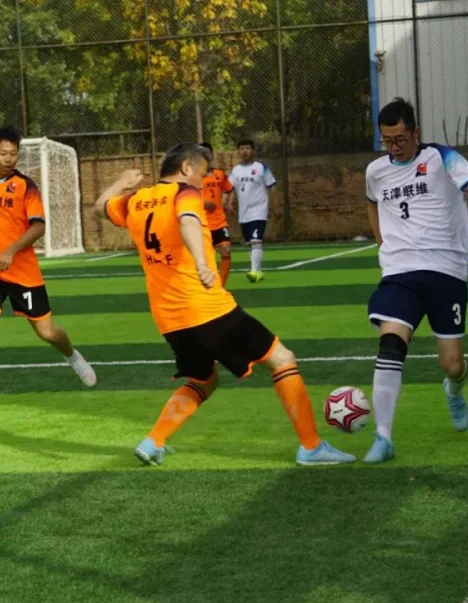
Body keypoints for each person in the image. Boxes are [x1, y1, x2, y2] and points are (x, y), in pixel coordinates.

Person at [95, 142, 354, 466]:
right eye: (202, 174)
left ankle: (152, 442)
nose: (204, 182)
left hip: (169, 319)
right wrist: (203, 263)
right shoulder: (184, 193)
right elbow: (188, 220)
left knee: (203, 380)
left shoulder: (136, 199)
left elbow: (100, 207)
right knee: (282, 359)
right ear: (186, 168)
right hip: (207, 308)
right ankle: (312, 447)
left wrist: (121, 182)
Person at [363, 97, 468, 463]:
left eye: (400, 139)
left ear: (415, 132)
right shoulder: (375, 171)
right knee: (391, 343)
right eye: (387, 140)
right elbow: (371, 201)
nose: (394, 147)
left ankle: (454, 389)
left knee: (452, 363)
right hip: (399, 271)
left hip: (446, 269)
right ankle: (383, 437)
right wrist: (382, 243)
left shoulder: (439, 157)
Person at [0, 127, 96, 422]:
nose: (9, 159)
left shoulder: (25, 186)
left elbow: (39, 226)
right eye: (3, 153)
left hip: (23, 274)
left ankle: (72, 356)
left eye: (13, 153)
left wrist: (11, 250)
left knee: (48, 333)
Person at [227, 139, 276, 283]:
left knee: (256, 240)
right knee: (250, 242)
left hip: (259, 210)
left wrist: (276, 206)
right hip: (244, 213)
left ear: (253, 151)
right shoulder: (236, 170)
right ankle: (258, 271)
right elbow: (230, 188)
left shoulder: (261, 168)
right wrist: (229, 202)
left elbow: (272, 186)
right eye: (242, 149)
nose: (244, 151)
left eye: (247, 148)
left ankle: (254, 271)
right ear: (238, 151)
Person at [199, 142, 234, 286]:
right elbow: (186, 198)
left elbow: (229, 189)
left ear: (212, 155)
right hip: (202, 224)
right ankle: (206, 287)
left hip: (219, 221)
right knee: (206, 258)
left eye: (207, 153)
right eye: (202, 154)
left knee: (226, 249)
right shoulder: (194, 179)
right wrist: (203, 204)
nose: (205, 156)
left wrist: (228, 203)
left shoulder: (219, 174)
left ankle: (220, 286)